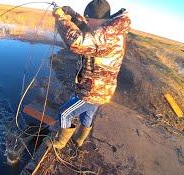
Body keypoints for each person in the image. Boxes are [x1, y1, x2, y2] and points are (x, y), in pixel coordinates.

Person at [47, 0, 131, 149]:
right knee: (87, 115)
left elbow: (77, 42)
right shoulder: (109, 28)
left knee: (65, 113)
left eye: (89, 19)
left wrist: (61, 19)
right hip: (102, 90)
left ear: (98, 19)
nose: (88, 23)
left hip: (93, 92)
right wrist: (72, 14)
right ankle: (79, 139)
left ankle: (60, 142)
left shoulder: (108, 36)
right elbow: (87, 27)